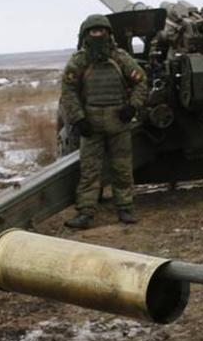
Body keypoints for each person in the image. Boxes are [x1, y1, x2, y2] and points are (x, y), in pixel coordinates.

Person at [59, 14, 148, 228]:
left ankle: (125, 208)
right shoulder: (79, 61)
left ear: (108, 33)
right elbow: (68, 91)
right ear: (86, 35)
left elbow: (140, 81)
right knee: (89, 171)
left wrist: (132, 106)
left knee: (122, 169)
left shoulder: (120, 58)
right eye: (93, 31)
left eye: (101, 31)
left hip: (119, 123)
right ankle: (86, 213)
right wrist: (79, 119)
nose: (97, 35)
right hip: (91, 125)